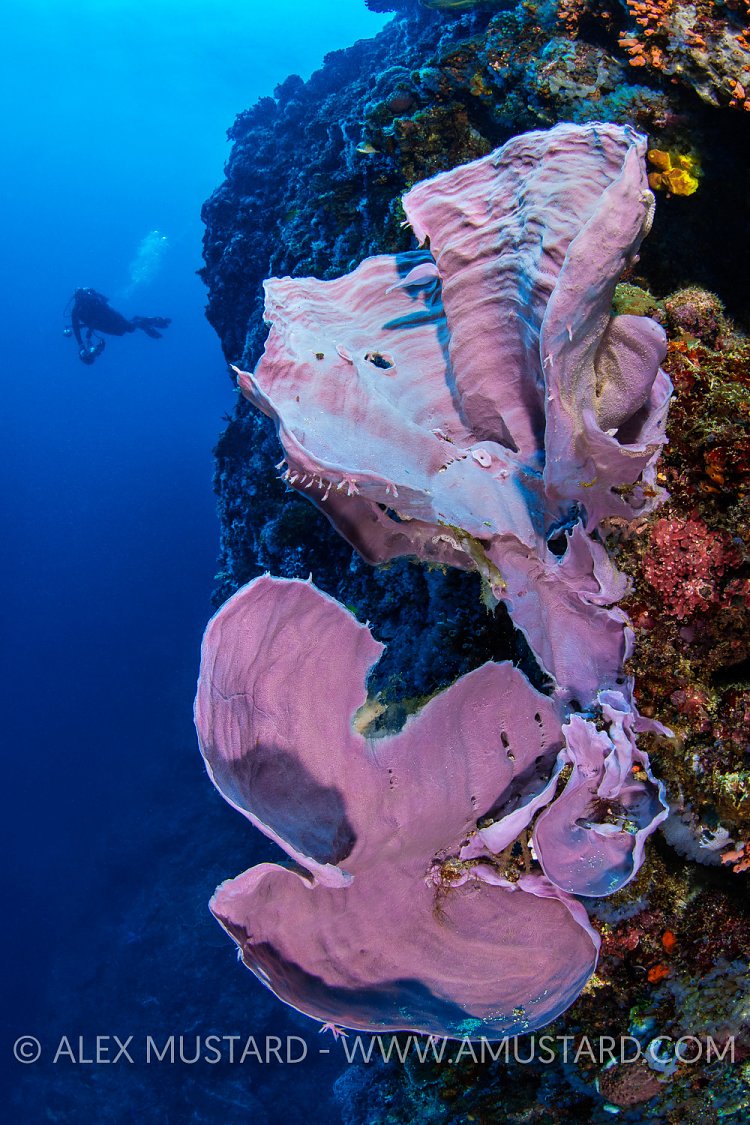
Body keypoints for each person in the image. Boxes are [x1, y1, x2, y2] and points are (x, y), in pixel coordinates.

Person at [64, 288, 171, 365]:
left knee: (129, 328)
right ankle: (143, 322)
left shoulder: (80, 307)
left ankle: (143, 321)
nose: (82, 299)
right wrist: (81, 345)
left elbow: (103, 310)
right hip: (104, 322)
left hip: (107, 318)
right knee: (125, 330)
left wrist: (82, 343)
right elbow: (76, 327)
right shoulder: (77, 309)